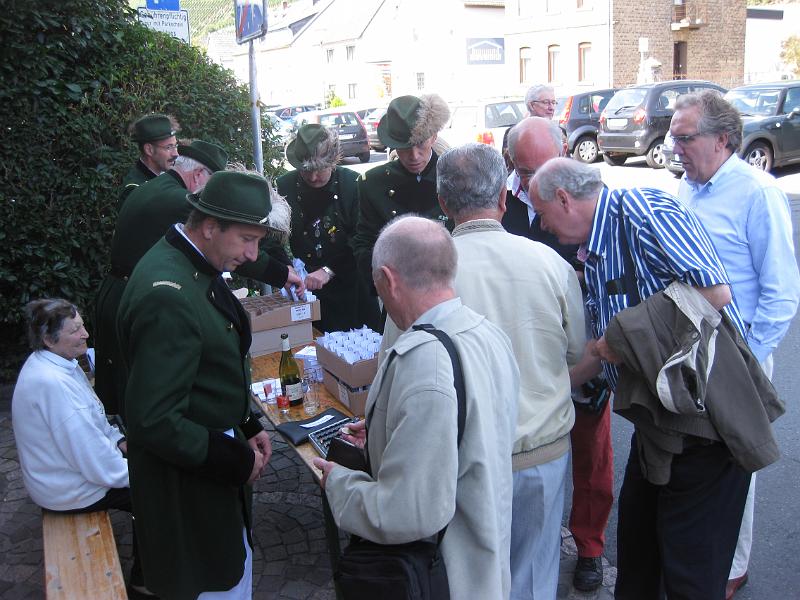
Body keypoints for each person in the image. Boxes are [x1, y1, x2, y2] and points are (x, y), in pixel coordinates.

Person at [530, 158, 750, 600]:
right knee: (638, 551)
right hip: (658, 421)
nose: (541, 224)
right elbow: (603, 349)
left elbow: (714, 291)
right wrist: (545, 393)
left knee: (689, 569)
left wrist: (624, 334)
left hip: (702, 421)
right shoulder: (595, 246)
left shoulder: (644, 209)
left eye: (542, 212)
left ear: (564, 198)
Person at [313, 216, 520, 600]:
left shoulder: (423, 360)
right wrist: (383, 429)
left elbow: (408, 511)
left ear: (388, 280)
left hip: (444, 578)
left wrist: (338, 482)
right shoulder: (487, 332)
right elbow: (470, 433)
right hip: (483, 560)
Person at [436, 143, 585, 599]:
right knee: (536, 573)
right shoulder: (552, 265)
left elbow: (399, 370)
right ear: (504, 198)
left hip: (461, 456)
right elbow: (576, 354)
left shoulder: (424, 272)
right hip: (542, 449)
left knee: (470, 580)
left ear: (443, 203)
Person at [117, 171, 275, 599]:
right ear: (209, 226)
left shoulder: (189, 262)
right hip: (187, 489)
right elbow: (153, 419)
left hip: (205, 466)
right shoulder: (167, 293)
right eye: (246, 239)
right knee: (214, 585)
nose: (251, 253)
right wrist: (233, 461)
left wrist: (246, 422)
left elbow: (206, 366)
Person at [671, 89, 800, 599]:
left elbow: (781, 290)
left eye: (684, 138)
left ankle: (731, 567)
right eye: (672, 137)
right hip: (685, 351)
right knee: (692, 458)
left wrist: (751, 356)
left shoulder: (756, 192)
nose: (672, 147)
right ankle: (694, 556)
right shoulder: (684, 190)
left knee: (734, 460)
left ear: (722, 140)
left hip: (737, 358)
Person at [95, 140, 303, 415]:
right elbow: (159, 413)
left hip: (122, 291)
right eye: (247, 239)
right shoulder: (181, 208)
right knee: (139, 393)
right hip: (139, 302)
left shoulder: (158, 189)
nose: (251, 253)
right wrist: (282, 273)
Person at [505, 116, 611, 592]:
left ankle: (589, 546)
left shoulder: (586, 196)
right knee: (532, 452)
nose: (532, 180)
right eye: (524, 171)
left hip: (582, 349)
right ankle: (529, 540)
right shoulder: (504, 202)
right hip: (527, 350)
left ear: (564, 151)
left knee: (591, 454)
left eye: (540, 167)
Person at [11, 298, 149, 596]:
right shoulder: (53, 384)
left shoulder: (58, 364)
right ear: (49, 339)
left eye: (82, 325)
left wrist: (120, 441)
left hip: (63, 476)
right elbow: (98, 464)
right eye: (75, 329)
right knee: (155, 493)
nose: (86, 333)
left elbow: (94, 419)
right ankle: (144, 580)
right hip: (66, 490)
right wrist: (144, 472)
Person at [277, 124, 380, 332]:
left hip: (352, 287)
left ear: (333, 162)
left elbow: (362, 237)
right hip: (306, 290)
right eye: (306, 171)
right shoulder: (285, 186)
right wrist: (286, 267)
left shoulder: (354, 184)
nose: (313, 177)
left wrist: (328, 270)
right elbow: (273, 236)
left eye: (320, 169)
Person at [352, 93, 451, 300]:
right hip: (397, 296)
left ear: (433, 137)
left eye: (421, 143)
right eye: (405, 147)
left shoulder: (454, 175)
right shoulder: (373, 183)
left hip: (451, 291)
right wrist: (386, 283)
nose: (414, 155)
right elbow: (364, 242)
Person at [121, 113, 179, 205]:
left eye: (175, 146)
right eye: (168, 147)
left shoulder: (167, 177)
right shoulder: (135, 189)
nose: (176, 153)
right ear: (149, 150)